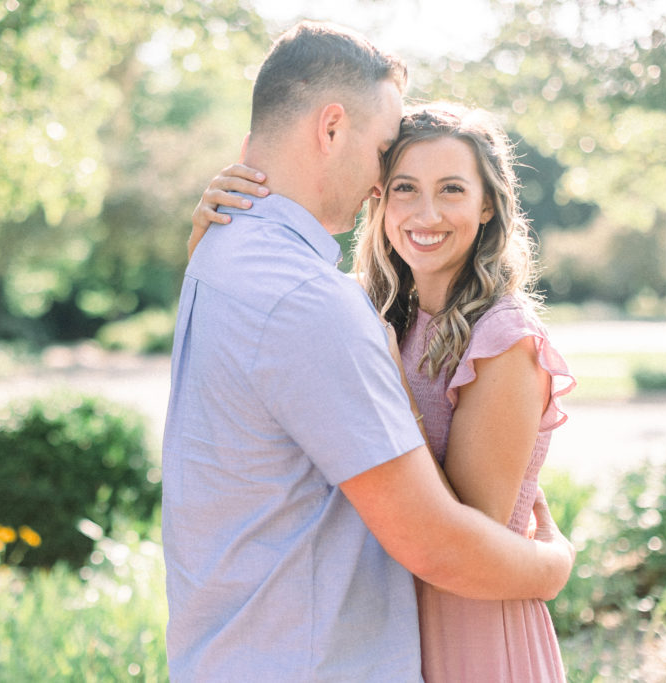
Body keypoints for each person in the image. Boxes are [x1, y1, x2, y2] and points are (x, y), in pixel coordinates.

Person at [163, 20, 575, 682]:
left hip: (465, 626)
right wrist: (552, 564)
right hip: (347, 642)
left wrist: (552, 566)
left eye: (451, 189)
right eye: (396, 170)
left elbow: (460, 538)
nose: (391, 189)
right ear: (331, 129)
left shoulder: (243, 264)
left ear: (489, 207)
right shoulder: (340, 305)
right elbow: (439, 544)